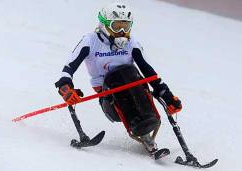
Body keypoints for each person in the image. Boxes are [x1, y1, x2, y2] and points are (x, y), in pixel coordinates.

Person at [55, 2, 182, 153]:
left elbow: (148, 71)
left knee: (130, 72)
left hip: (135, 88)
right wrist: (66, 88)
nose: (122, 32)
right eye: (116, 26)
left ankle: (148, 131)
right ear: (104, 25)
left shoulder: (131, 42)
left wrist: (165, 94)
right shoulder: (90, 41)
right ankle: (141, 131)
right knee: (119, 75)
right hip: (108, 96)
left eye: (126, 26)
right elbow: (68, 68)